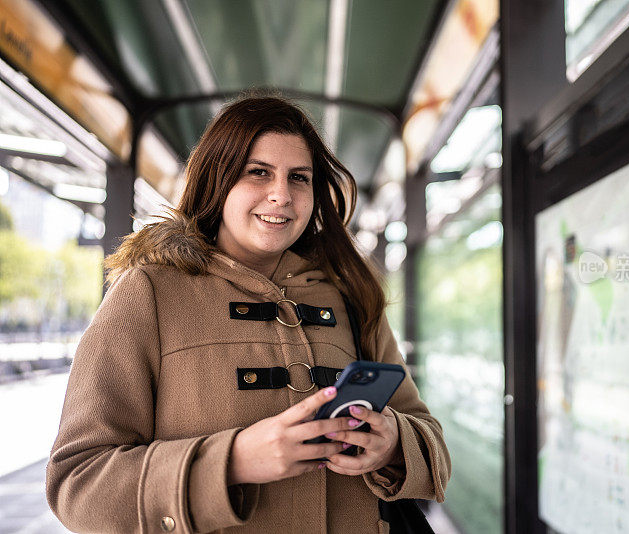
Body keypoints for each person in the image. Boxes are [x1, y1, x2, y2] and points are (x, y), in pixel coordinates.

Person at [46, 95, 451, 533]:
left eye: (299, 177)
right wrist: (233, 461)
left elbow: (429, 438)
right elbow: (77, 481)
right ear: (219, 180)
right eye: (258, 172)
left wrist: (392, 442)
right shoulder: (149, 293)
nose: (281, 195)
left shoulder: (349, 293)